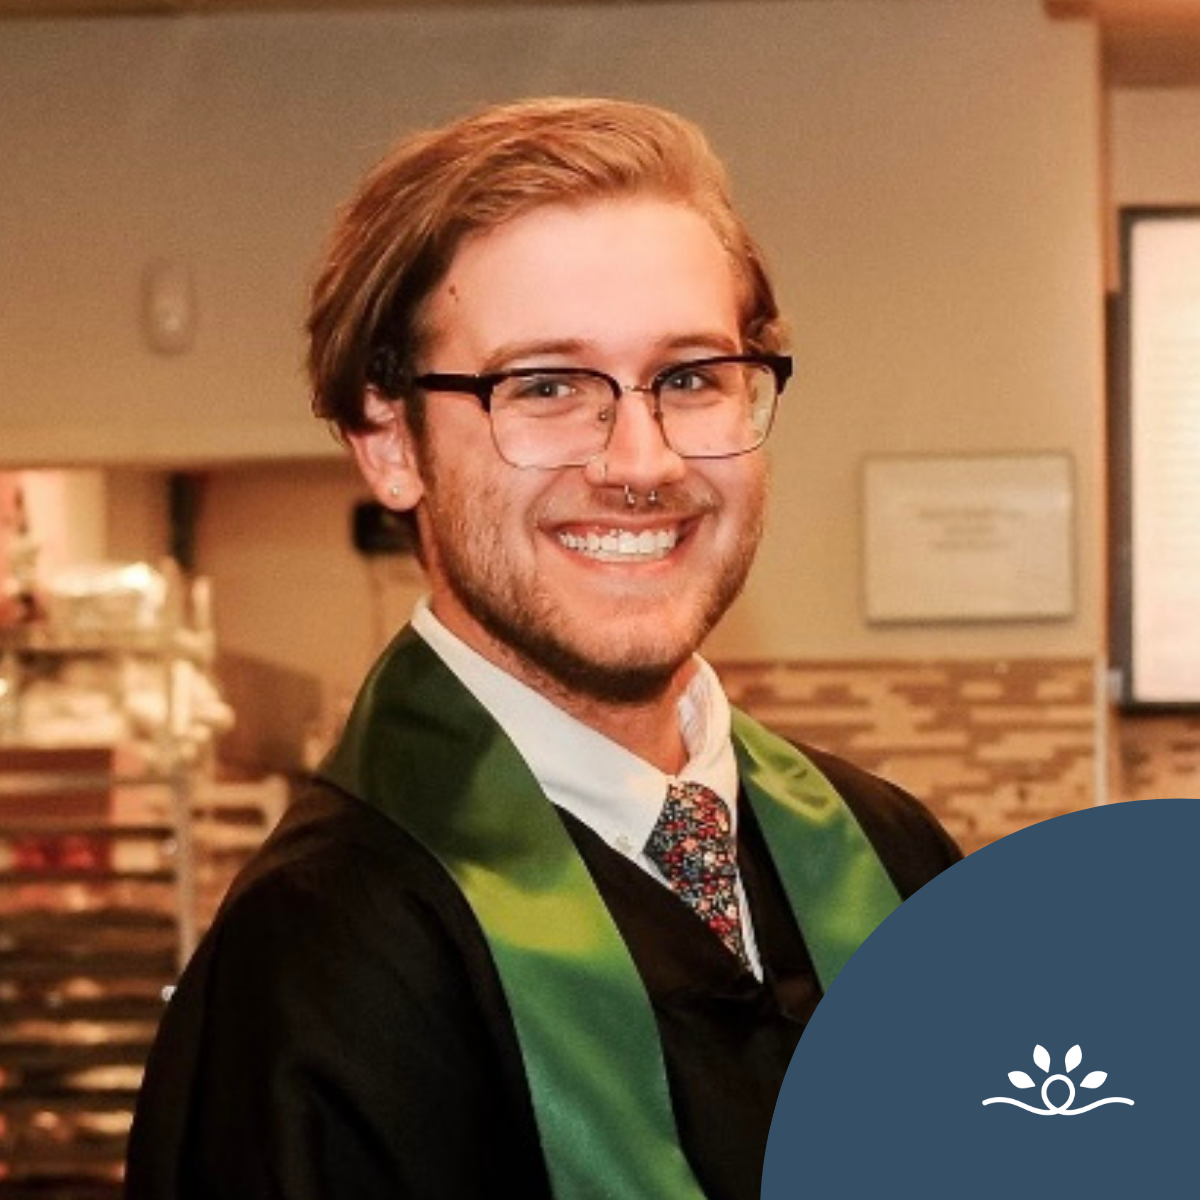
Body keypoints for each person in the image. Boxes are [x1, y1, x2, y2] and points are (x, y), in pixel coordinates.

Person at [125, 97, 960, 1200]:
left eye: (690, 376)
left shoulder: (888, 856)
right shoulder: (324, 967)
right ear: (388, 443)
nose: (641, 459)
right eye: (548, 386)